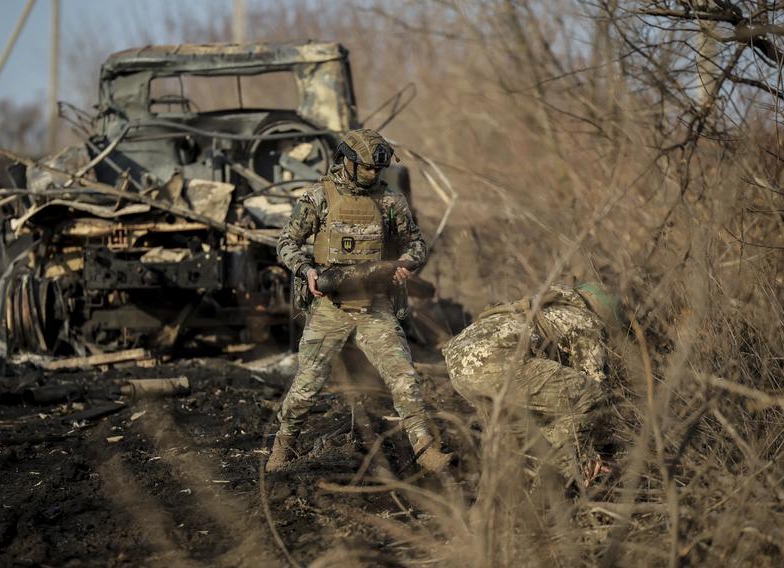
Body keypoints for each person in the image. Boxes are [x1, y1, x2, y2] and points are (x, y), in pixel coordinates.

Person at [266, 128, 450, 473]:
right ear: (347, 162)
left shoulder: (390, 200)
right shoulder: (320, 197)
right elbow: (286, 242)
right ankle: (284, 444)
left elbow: (416, 244)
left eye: (377, 169)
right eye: (366, 167)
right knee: (306, 388)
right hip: (330, 308)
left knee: (404, 378)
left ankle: (425, 449)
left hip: (375, 307)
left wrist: (406, 265)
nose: (372, 174)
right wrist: (305, 270)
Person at [442, 283, 624, 486]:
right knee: (589, 394)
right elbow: (594, 389)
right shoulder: (585, 320)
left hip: (459, 366)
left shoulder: (542, 307)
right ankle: (551, 489)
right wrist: (601, 449)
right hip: (496, 361)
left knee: (513, 440)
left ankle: (491, 507)